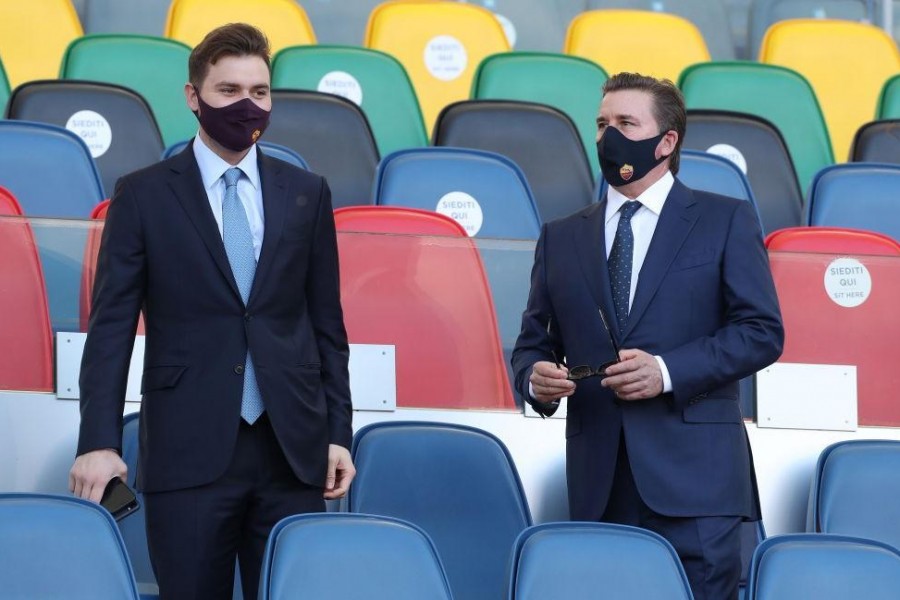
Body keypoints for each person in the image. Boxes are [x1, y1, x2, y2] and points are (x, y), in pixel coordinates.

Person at [69, 23, 355, 599]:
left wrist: (337, 432)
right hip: (187, 451)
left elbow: (327, 326)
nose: (247, 105)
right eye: (229, 91)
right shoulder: (143, 194)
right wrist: (98, 440)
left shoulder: (307, 192)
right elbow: (112, 328)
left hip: (292, 452)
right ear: (193, 97)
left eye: (260, 92)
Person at [511, 72, 783, 600]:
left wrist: (665, 372)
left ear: (666, 141)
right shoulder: (562, 236)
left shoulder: (724, 219)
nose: (608, 136)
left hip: (698, 487)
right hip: (600, 485)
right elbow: (533, 343)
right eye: (601, 124)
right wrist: (533, 378)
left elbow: (761, 332)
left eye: (626, 123)